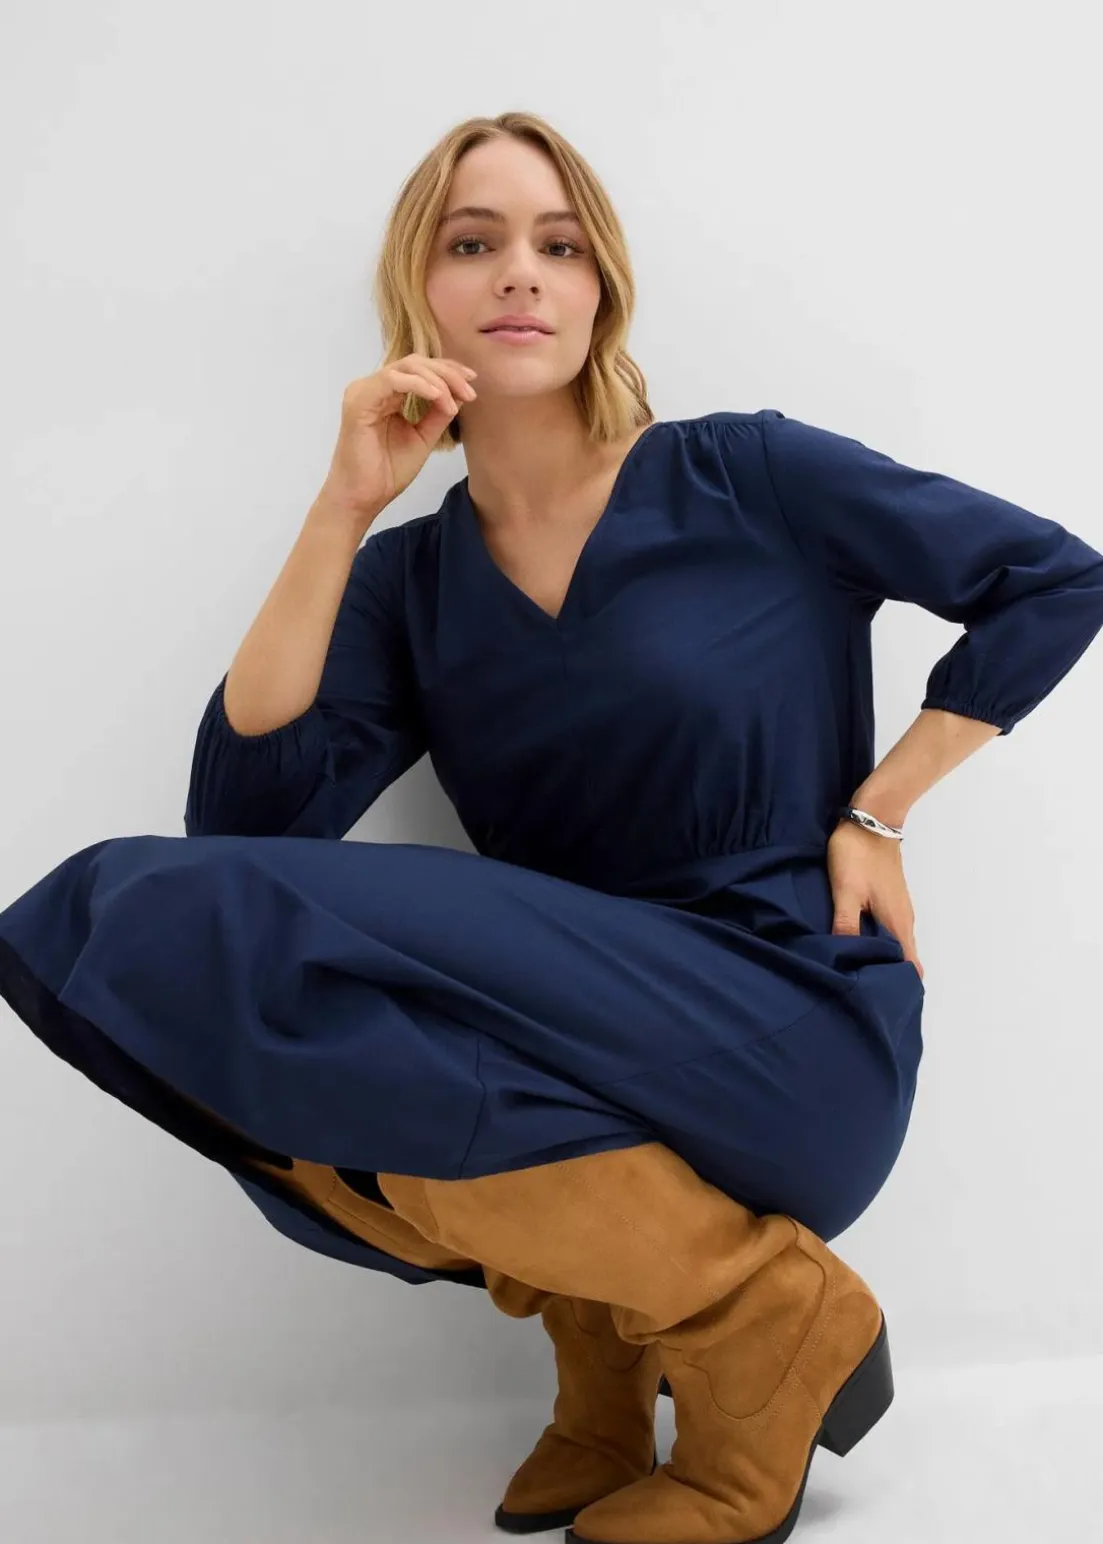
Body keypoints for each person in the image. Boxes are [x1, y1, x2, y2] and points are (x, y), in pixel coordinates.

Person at [2, 111, 1103, 1544]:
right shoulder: (413, 582)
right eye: (474, 243)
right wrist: (342, 508)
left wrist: (877, 810)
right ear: (421, 294)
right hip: (580, 1043)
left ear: (601, 292)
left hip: (790, 1019)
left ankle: (761, 1330)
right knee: (201, 962)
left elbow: (1053, 580)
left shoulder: (747, 475)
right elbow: (244, 825)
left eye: (559, 244)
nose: (520, 272)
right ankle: (609, 1359)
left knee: (143, 907)